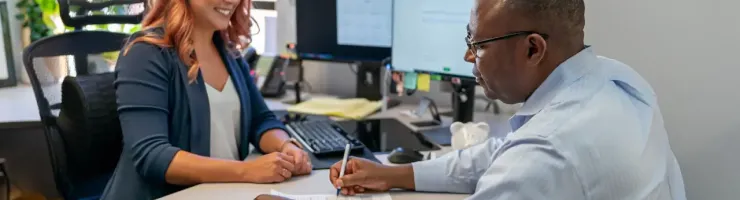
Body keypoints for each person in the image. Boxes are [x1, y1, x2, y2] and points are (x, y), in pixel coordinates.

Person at [329, 0, 687, 199]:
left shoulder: (543, 156)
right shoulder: (620, 79)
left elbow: (525, 159)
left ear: (533, 48)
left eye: (477, 44)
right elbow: (501, 150)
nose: (469, 57)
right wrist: (395, 175)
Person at [101, 0, 312, 199]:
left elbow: (261, 120)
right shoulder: (145, 53)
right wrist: (247, 171)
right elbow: (153, 155)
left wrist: (286, 146)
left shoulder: (229, 53)